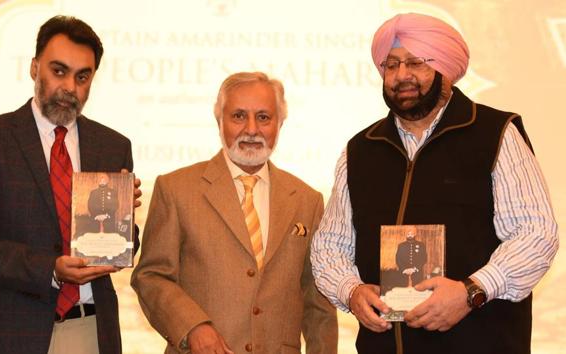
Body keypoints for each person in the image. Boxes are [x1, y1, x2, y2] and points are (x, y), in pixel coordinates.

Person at [310, 12, 558, 354]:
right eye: (391, 64)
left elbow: (537, 233)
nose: (401, 76)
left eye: (416, 62)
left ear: (446, 68)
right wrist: (350, 291)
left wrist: (470, 292)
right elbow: (329, 247)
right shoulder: (361, 149)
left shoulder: (496, 134)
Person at [0, 15, 141, 354]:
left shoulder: (112, 145)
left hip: (90, 329)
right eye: (59, 71)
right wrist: (49, 268)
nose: (70, 86)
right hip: (8, 332)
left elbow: (119, 248)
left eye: (83, 77)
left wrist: (125, 224)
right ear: (34, 67)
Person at [131, 72, 338, 354]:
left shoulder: (307, 200)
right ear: (219, 121)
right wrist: (192, 326)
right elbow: (151, 277)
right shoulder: (176, 189)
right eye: (238, 116)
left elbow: (318, 303)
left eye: (264, 117)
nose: (251, 129)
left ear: (280, 123)